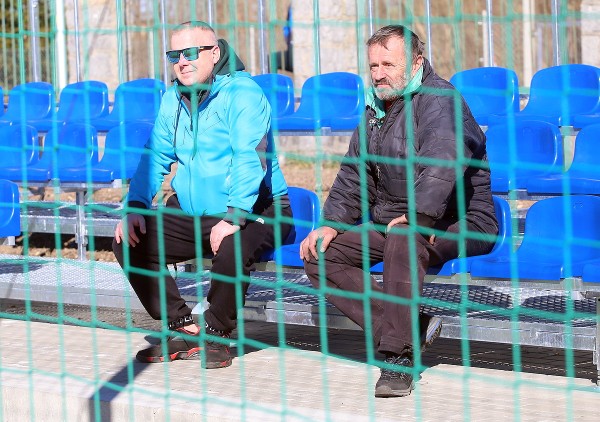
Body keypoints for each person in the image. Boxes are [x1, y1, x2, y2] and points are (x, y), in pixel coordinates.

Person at [300, 25, 498, 398]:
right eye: (373, 66)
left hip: (460, 219)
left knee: (404, 238)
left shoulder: (440, 100)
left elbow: (443, 159)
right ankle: (412, 328)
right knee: (320, 254)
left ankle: (398, 358)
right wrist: (330, 224)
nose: (378, 74)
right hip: (397, 219)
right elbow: (355, 175)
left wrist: (420, 216)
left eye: (388, 64)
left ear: (416, 63)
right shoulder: (376, 109)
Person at [113, 21, 291, 369]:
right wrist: (135, 205)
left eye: (191, 52)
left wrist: (234, 215)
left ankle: (218, 333)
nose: (182, 61)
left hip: (257, 206)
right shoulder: (172, 98)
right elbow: (155, 157)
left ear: (214, 53)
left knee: (233, 246)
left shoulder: (243, 93)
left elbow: (249, 156)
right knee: (129, 239)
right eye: (175, 55)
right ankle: (184, 326)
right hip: (194, 213)